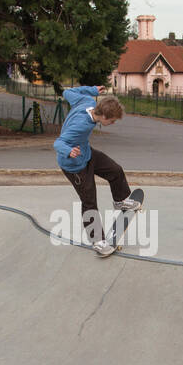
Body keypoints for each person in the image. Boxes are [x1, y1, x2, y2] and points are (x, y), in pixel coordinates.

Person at [53, 85, 139, 256]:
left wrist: (92, 90)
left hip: (87, 153)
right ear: (104, 116)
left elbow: (67, 92)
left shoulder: (86, 100)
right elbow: (58, 143)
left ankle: (120, 200)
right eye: (112, 120)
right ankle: (97, 242)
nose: (112, 124)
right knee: (89, 201)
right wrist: (69, 151)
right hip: (74, 166)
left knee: (114, 170)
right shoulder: (80, 125)